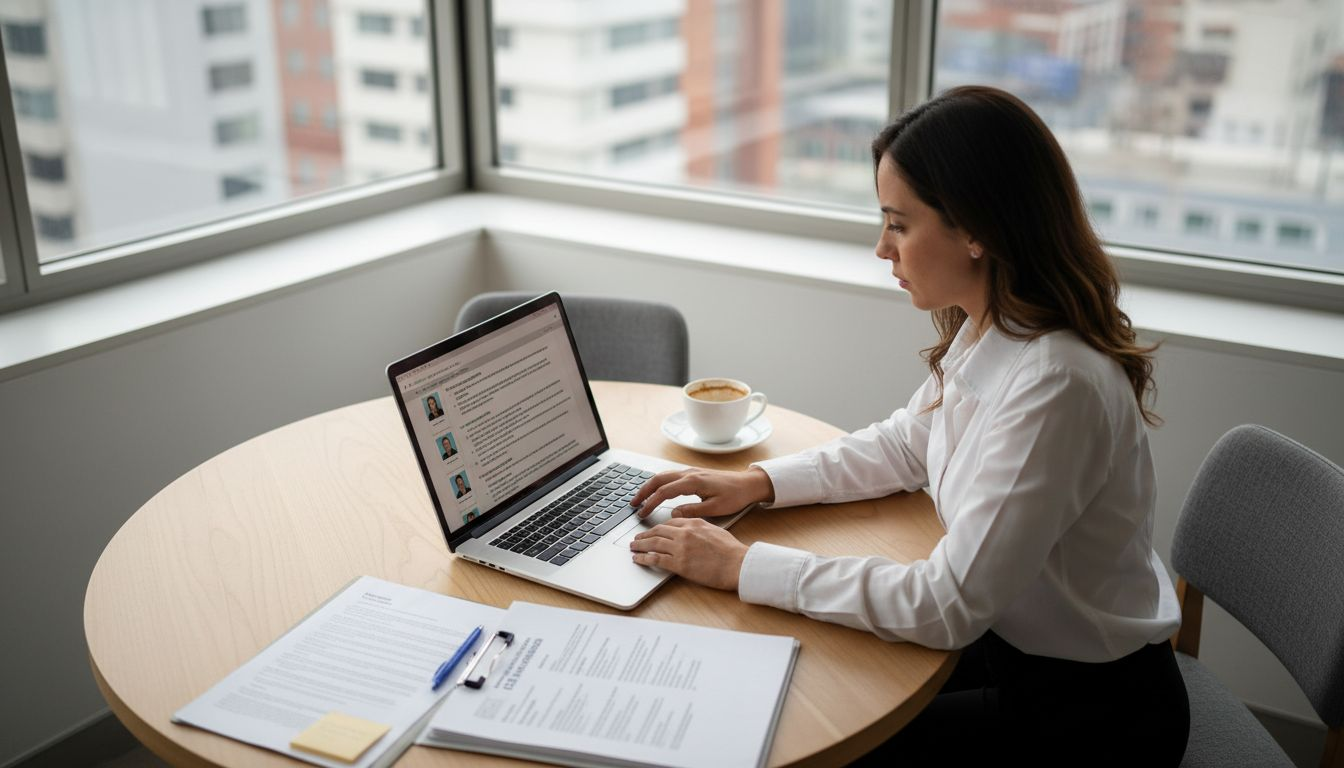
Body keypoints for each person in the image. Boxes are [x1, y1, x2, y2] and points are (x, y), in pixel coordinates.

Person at [627, 86, 1188, 766]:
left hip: (1090, 712)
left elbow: (945, 604)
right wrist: (758, 482)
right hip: (1011, 644)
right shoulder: (995, 328)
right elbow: (904, 444)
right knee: (802, 681)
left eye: (898, 224)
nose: (881, 248)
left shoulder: (1055, 383)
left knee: (814, 737)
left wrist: (743, 565)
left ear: (977, 231)